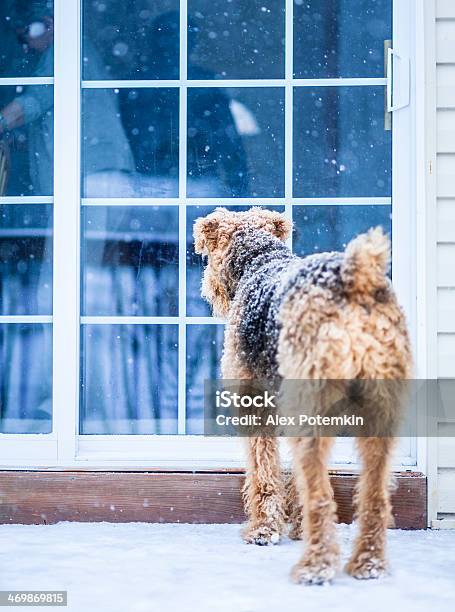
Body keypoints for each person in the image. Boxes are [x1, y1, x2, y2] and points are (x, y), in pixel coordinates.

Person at [0, 1, 135, 197]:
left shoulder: (63, 51)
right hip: (103, 168)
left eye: (25, 36)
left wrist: (2, 123)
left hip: (89, 175)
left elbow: (32, 103)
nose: (27, 45)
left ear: (48, 24)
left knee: (72, 227)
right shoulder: (82, 51)